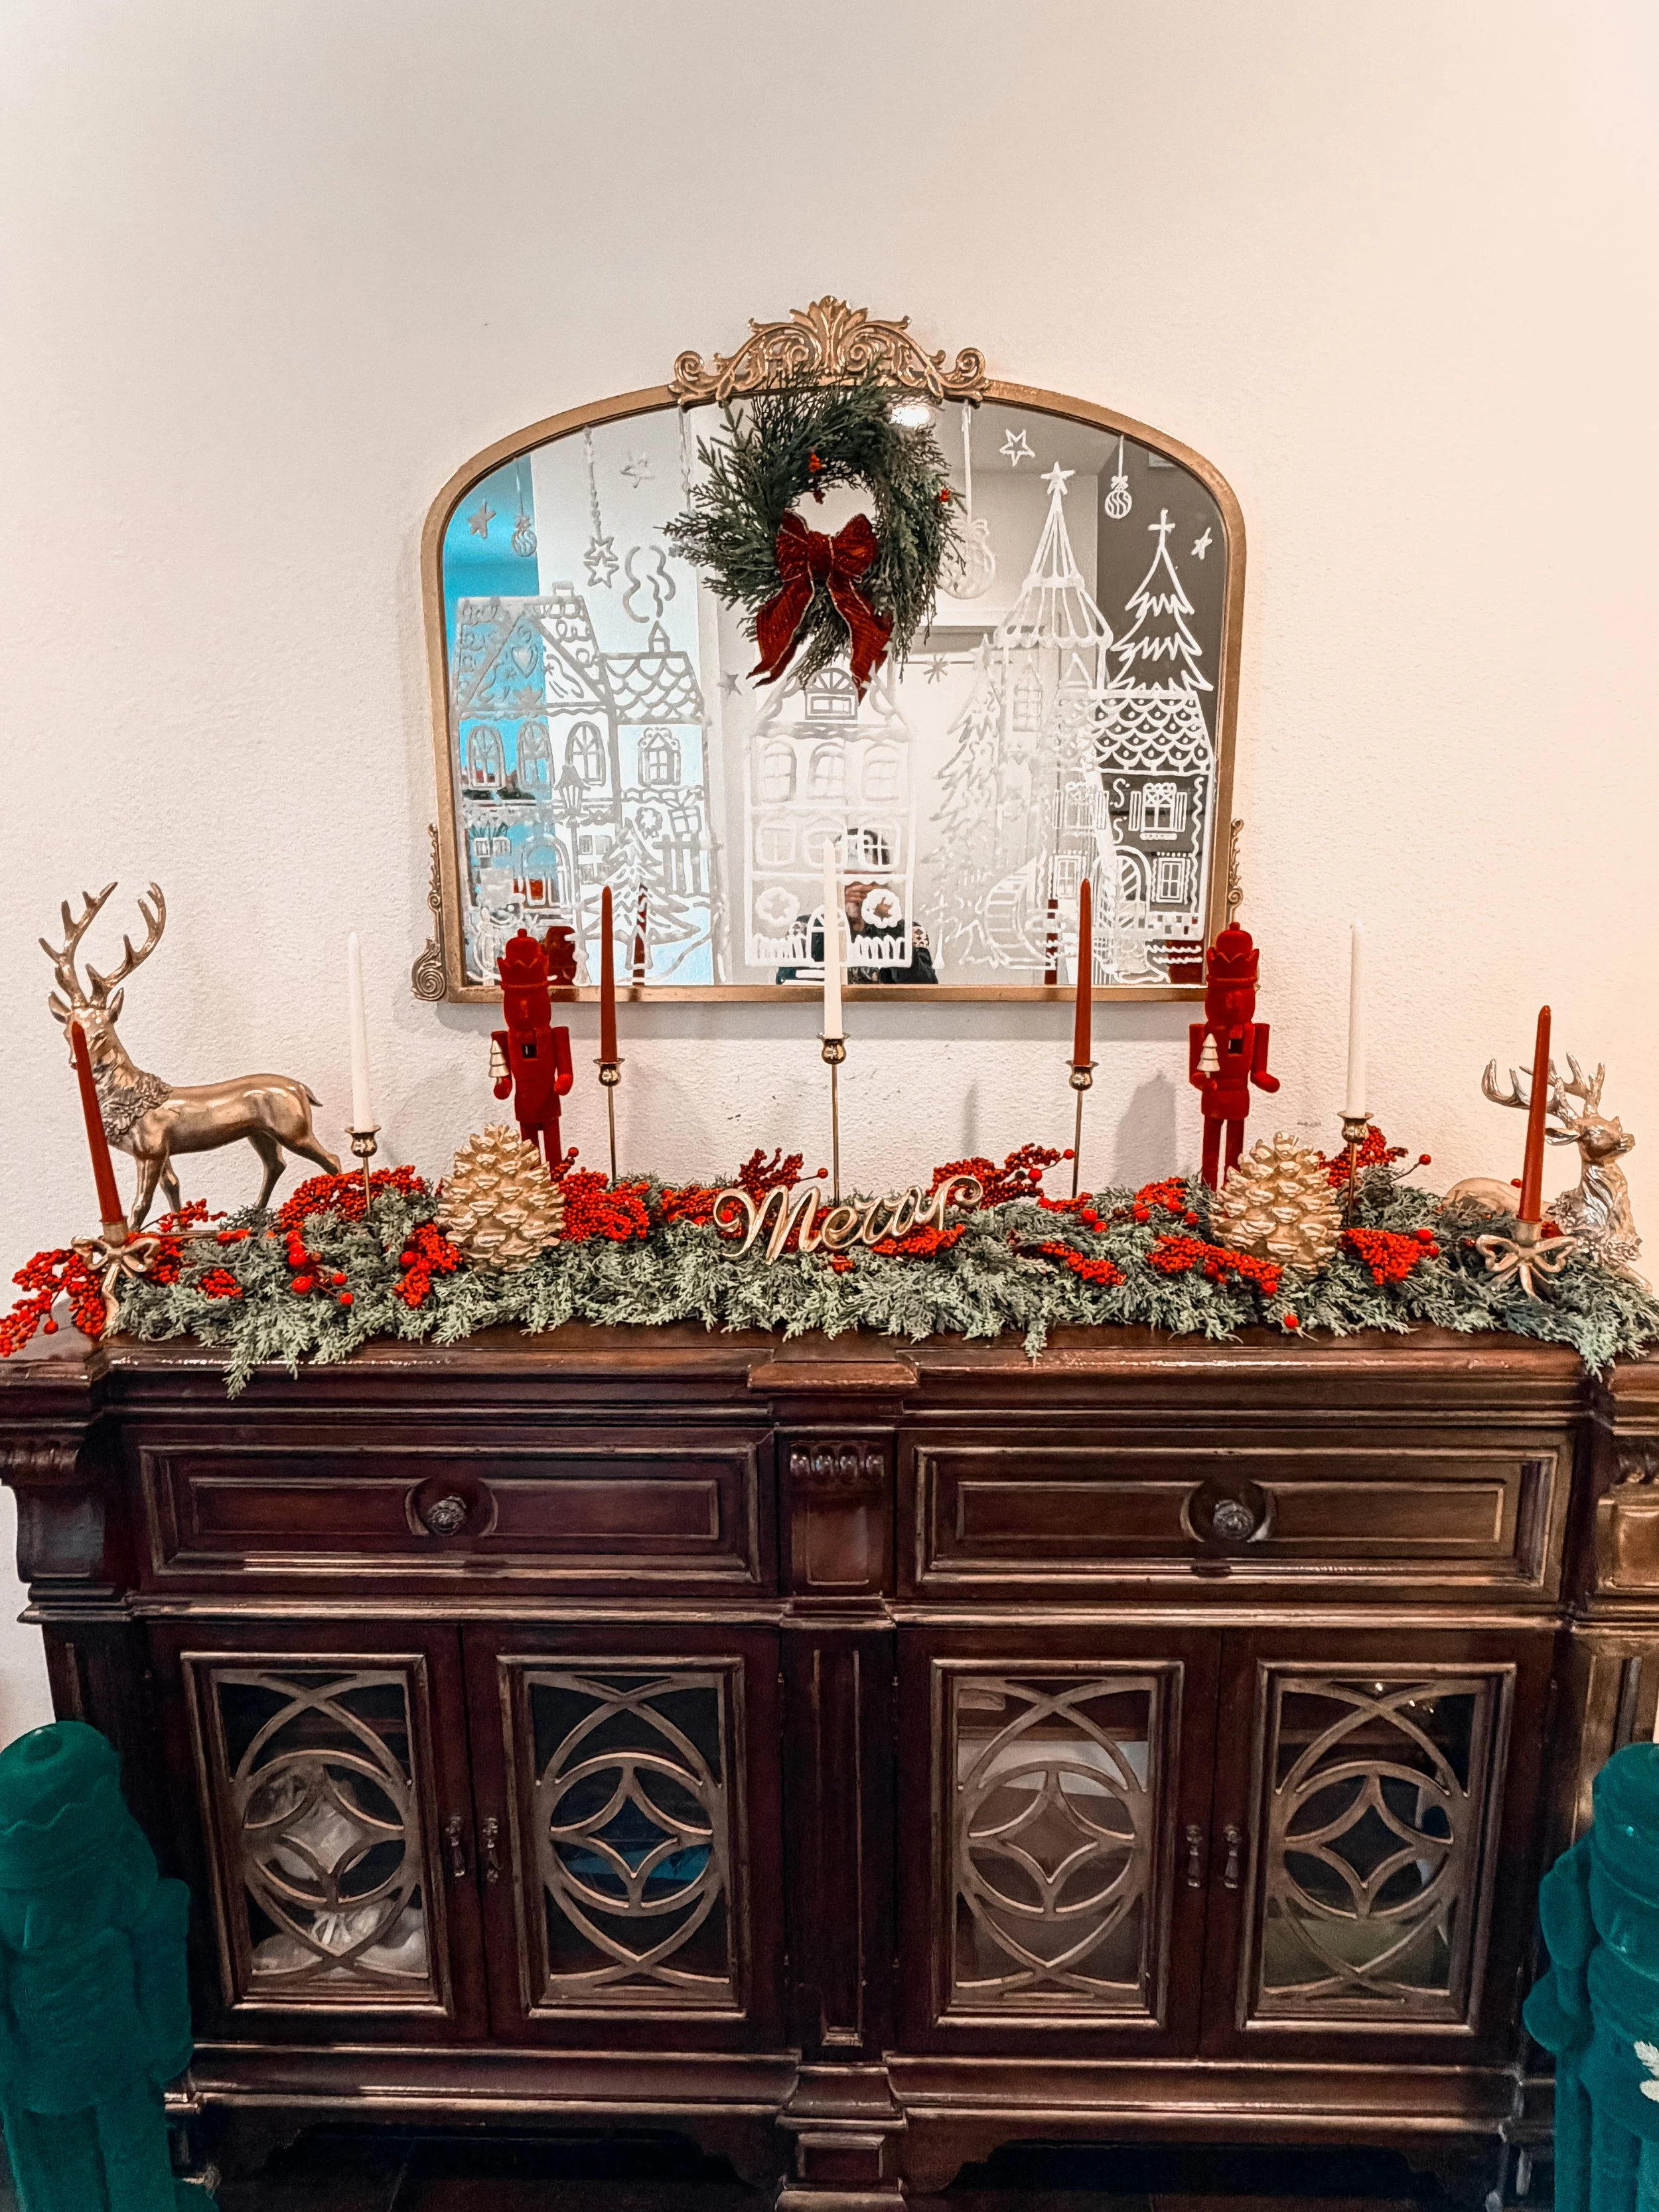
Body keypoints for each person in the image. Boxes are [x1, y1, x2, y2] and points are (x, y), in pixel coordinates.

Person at [775, 874, 938, 986]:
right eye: (849, 879)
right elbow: (786, 983)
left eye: (869, 879)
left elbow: (926, 988)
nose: (858, 888)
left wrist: (889, 923)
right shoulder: (806, 927)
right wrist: (831, 919)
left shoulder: (907, 930)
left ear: (883, 884)